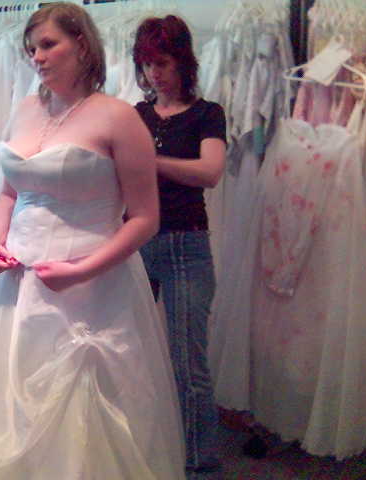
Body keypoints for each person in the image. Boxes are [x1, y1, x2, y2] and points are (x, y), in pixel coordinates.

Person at [0, 3, 185, 479]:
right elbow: (12, 189)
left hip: (93, 286)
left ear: (82, 44)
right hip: (20, 284)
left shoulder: (118, 118)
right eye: (31, 49)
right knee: (11, 404)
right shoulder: (26, 109)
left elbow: (145, 218)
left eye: (48, 44)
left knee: (86, 413)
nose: (37, 57)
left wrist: (82, 271)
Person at [132, 15, 227, 474]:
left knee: (189, 366)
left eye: (164, 63)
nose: (155, 73)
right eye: (148, 63)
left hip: (186, 244)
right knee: (126, 352)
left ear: (183, 62)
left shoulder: (207, 113)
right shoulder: (137, 114)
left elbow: (210, 172)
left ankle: (200, 465)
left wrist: (149, 161)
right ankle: (138, 451)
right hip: (136, 241)